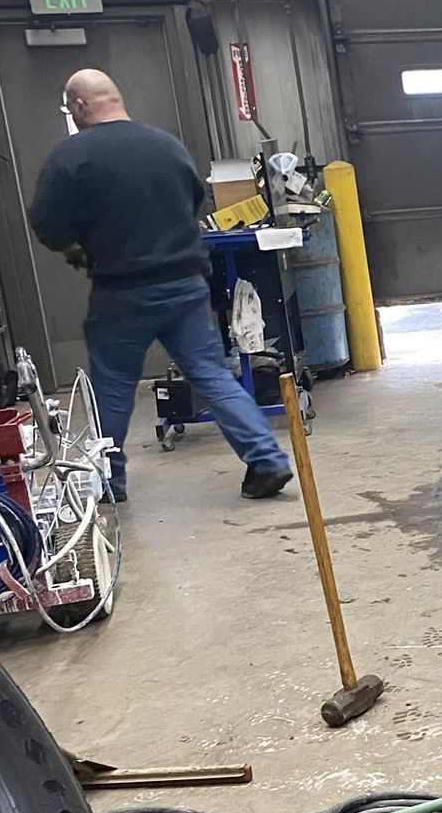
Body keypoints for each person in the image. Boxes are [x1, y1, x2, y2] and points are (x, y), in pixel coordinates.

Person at [29, 69, 292, 503]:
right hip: (185, 284)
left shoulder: (71, 157)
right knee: (211, 374)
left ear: (79, 106)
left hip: (121, 291)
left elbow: (46, 223)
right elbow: (195, 201)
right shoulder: (167, 145)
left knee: (113, 385)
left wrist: (76, 246)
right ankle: (266, 460)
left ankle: (110, 482)